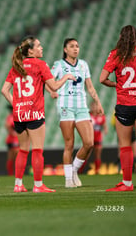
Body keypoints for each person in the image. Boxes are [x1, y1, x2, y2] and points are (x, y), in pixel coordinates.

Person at [1, 36, 75, 193]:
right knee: (37, 150)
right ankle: (38, 185)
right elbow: (54, 86)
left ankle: (18, 184)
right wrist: (67, 77)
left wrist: (16, 104)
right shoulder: (40, 64)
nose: (41, 48)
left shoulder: (17, 66)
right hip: (34, 113)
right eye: (39, 46)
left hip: (19, 115)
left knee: (22, 150)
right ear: (30, 50)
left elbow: (4, 90)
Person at [100, 25, 136, 192]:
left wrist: (117, 85)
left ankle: (127, 183)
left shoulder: (116, 54)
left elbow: (102, 78)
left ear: (120, 37)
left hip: (125, 104)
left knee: (124, 145)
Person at [49, 38, 104, 188]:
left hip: (81, 106)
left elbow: (90, 87)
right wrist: (51, 92)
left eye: (77, 46)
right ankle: (68, 180)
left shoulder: (83, 64)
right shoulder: (59, 65)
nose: (75, 49)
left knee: (89, 143)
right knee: (69, 144)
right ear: (65, 49)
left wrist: (98, 102)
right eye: (72, 46)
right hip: (65, 105)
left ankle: (73, 170)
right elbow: (47, 81)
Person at [90, 100, 108, 174]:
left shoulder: (101, 116)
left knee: (97, 154)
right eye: (93, 106)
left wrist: (104, 132)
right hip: (90, 138)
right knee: (86, 154)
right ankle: (80, 170)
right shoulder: (88, 115)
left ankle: (97, 170)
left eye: (95, 106)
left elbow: (105, 127)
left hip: (98, 138)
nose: (94, 108)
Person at [5, 105, 19, 175]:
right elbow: (7, 126)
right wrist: (13, 133)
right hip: (13, 139)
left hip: (14, 139)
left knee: (14, 157)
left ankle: (12, 173)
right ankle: (13, 173)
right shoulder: (11, 117)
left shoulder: (13, 116)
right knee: (15, 156)